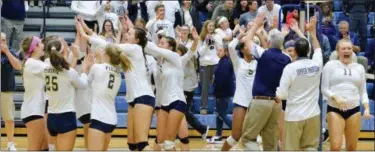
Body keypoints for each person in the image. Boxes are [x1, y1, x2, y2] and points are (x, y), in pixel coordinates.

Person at [78, 20, 156, 151]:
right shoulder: (127, 54)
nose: (126, 35)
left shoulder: (135, 48)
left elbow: (110, 46)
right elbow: (112, 56)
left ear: (136, 40)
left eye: (129, 34)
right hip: (133, 99)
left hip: (143, 96)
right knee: (132, 143)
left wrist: (86, 36)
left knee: (142, 143)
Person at [240, 13, 291, 151]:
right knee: (271, 142)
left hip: (260, 101)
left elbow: (247, 40)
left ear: (268, 43)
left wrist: (256, 25)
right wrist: (283, 34)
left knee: (248, 138)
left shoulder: (263, 54)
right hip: (276, 104)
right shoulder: (287, 59)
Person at [276, 16, 323, 150]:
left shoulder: (290, 68)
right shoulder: (317, 64)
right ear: (308, 51)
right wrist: (313, 34)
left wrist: (276, 95)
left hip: (294, 116)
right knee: (311, 148)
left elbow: (283, 94)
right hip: (313, 114)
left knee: (290, 148)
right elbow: (318, 49)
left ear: (294, 51)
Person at [322, 37, 372, 150]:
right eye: (343, 48)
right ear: (338, 51)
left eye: (349, 48)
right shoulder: (330, 65)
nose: (347, 51)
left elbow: (363, 91)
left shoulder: (359, 68)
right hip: (335, 109)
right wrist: (335, 97)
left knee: (351, 148)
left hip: (354, 110)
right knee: (335, 147)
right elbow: (324, 88)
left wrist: (367, 108)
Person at [43, 39, 91, 151]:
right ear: (63, 51)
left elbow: (57, 64)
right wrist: (84, 70)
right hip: (66, 116)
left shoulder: (44, 67)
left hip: (51, 116)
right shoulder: (69, 72)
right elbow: (83, 84)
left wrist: (67, 54)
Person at [144, 36, 190, 151]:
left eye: (163, 43)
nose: (160, 44)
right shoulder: (158, 63)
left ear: (170, 47)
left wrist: (140, 37)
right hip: (162, 103)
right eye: (159, 42)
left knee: (175, 140)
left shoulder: (175, 57)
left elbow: (191, 53)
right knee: (160, 141)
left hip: (177, 101)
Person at [87, 44, 132, 150]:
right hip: (111, 119)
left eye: (103, 50)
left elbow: (86, 84)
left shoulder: (96, 67)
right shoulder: (118, 73)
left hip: (99, 117)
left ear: (107, 55)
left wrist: (87, 67)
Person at [220, 26, 257, 151]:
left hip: (255, 102)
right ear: (242, 50)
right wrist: (240, 35)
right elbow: (230, 47)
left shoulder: (258, 62)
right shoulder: (238, 62)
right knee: (235, 135)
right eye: (247, 46)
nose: (250, 47)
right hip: (241, 101)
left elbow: (266, 49)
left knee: (253, 137)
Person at [176, 25, 210, 140]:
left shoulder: (192, 44)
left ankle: (202, 128)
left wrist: (196, 40)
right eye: (182, 31)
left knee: (184, 111)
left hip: (188, 83)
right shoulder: (176, 42)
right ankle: (179, 132)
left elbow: (194, 54)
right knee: (180, 110)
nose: (183, 33)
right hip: (178, 84)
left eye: (186, 31)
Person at [20, 36, 48, 151]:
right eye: (41, 43)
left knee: (44, 147)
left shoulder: (34, 63)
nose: (43, 45)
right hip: (33, 111)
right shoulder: (33, 63)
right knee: (34, 149)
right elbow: (56, 71)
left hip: (36, 110)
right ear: (35, 47)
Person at [207, 46, 235, 144]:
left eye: (220, 50)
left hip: (223, 92)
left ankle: (237, 132)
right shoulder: (222, 61)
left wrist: (215, 89)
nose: (218, 52)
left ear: (226, 51)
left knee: (222, 114)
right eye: (217, 50)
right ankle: (218, 135)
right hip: (221, 92)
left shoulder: (225, 62)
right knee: (219, 115)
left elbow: (221, 79)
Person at [1, 32, 21, 151]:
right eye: (1, 40)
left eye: (4, 40)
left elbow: (18, 66)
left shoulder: (11, 52)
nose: (3, 42)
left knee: (9, 118)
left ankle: (10, 143)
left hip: (5, 90)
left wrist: (7, 52)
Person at [198, 20, 219, 114]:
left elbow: (219, 50)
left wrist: (215, 42)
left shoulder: (217, 36)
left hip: (215, 64)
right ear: (206, 27)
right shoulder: (200, 38)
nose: (211, 28)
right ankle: (203, 107)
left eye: (212, 26)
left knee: (217, 87)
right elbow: (200, 53)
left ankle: (217, 108)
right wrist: (206, 43)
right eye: (209, 26)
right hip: (204, 65)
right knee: (204, 88)